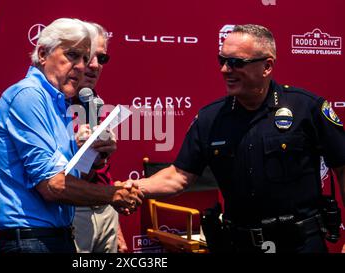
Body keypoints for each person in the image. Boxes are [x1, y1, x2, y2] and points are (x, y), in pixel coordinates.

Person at [128, 24, 345, 253]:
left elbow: (342, 168)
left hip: (300, 245)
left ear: (267, 66)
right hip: (239, 245)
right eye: (221, 60)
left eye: (236, 63)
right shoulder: (210, 119)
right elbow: (179, 176)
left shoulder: (306, 108)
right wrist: (134, 187)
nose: (224, 69)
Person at [0, 18, 143, 253]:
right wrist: (113, 194)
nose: (82, 66)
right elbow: (52, 186)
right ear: (42, 54)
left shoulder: (58, 101)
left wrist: (95, 154)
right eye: (72, 55)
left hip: (54, 236)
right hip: (33, 241)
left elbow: (70, 177)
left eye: (85, 58)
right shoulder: (29, 95)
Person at [71, 24, 128, 253]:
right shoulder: (51, 104)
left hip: (105, 210)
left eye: (101, 58)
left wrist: (117, 224)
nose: (94, 65)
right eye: (88, 56)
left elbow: (103, 172)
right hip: (72, 210)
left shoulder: (96, 102)